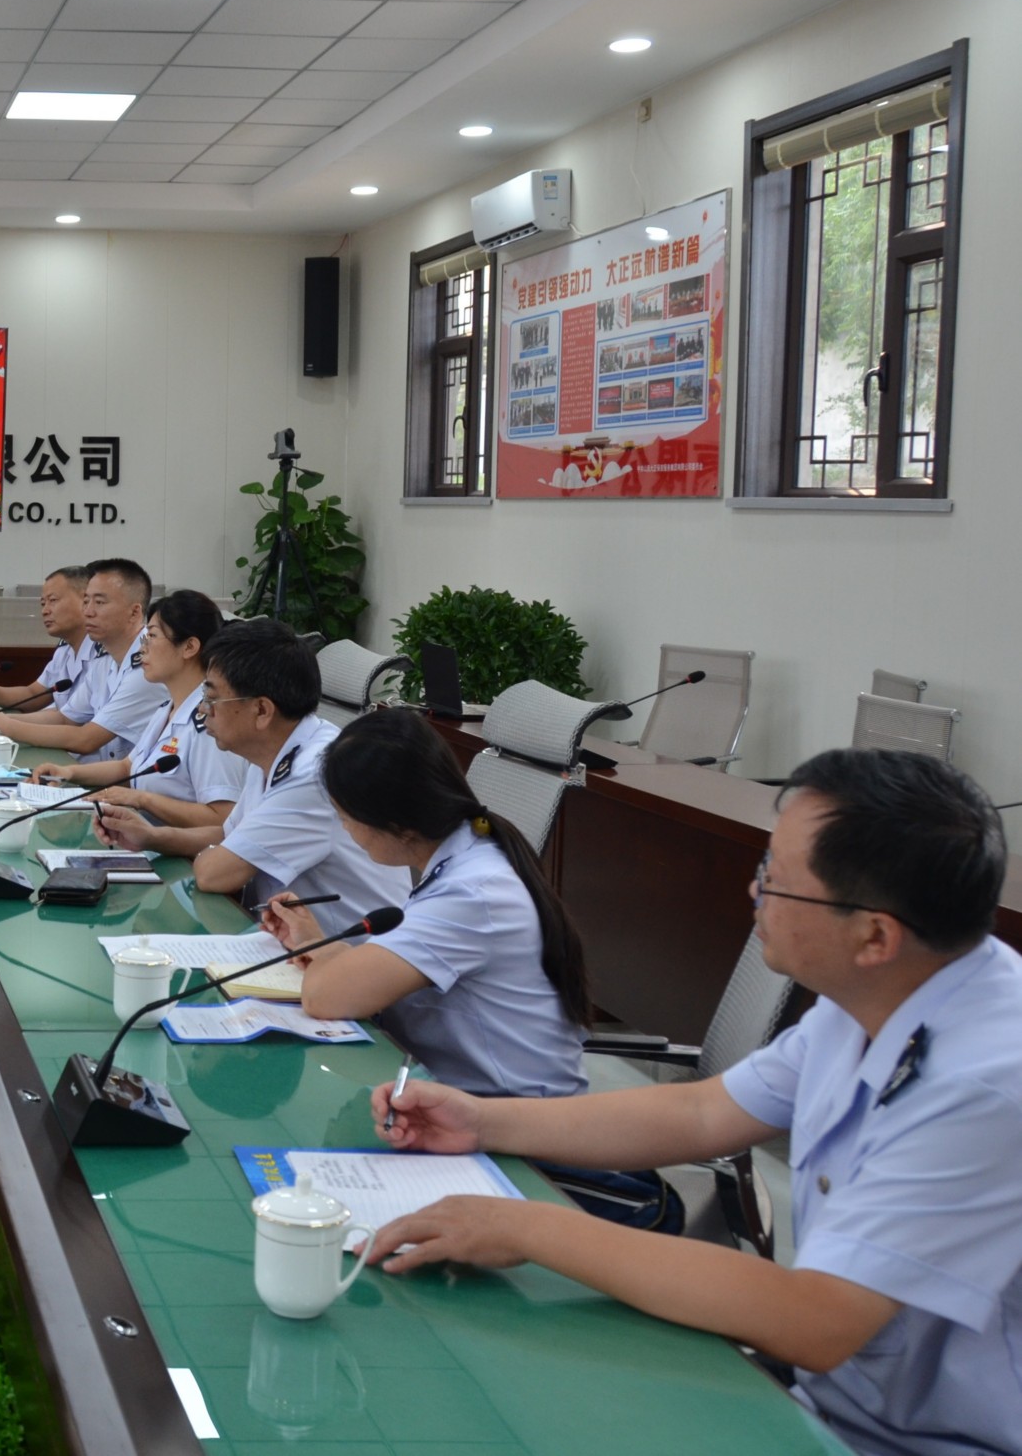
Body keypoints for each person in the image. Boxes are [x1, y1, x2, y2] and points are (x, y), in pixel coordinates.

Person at [364, 750, 1022, 1456]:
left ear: (874, 935)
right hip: (836, 1404)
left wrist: (526, 1228)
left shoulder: (985, 1083)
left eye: (776, 879)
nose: (753, 889)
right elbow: (704, 1114)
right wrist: (481, 1120)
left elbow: (817, 1318)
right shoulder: (883, 988)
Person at [261, 706, 589, 1100]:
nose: (345, 831)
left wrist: (323, 962)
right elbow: (385, 970)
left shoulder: (472, 893)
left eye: (345, 818)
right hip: (459, 1097)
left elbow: (325, 997)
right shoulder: (467, 855)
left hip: (515, 1121)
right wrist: (313, 942)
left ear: (396, 823)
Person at [95, 619, 405, 919]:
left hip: (348, 947)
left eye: (212, 698)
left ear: (261, 710)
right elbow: (227, 833)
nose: (203, 709)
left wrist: (213, 853)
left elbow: (214, 874)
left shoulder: (312, 775)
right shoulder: (275, 747)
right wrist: (150, 836)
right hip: (288, 937)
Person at [29, 590, 243, 827]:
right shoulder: (167, 709)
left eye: (152, 636)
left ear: (189, 647)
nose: (142, 649)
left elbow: (222, 818)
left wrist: (142, 799)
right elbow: (127, 767)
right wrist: (68, 772)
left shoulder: (210, 724)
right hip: (142, 838)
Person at [0, 558, 164, 764]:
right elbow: (65, 718)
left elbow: (87, 739)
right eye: (86, 602)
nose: (88, 612)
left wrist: (9, 727)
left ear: (134, 612)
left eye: (99, 602)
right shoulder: (105, 658)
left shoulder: (150, 667)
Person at [0, 566, 90, 714]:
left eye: (53, 600)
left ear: (85, 600)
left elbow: (72, 721)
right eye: (43, 603)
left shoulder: (104, 654)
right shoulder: (64, 651)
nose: (45, 611)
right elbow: (33, 695)